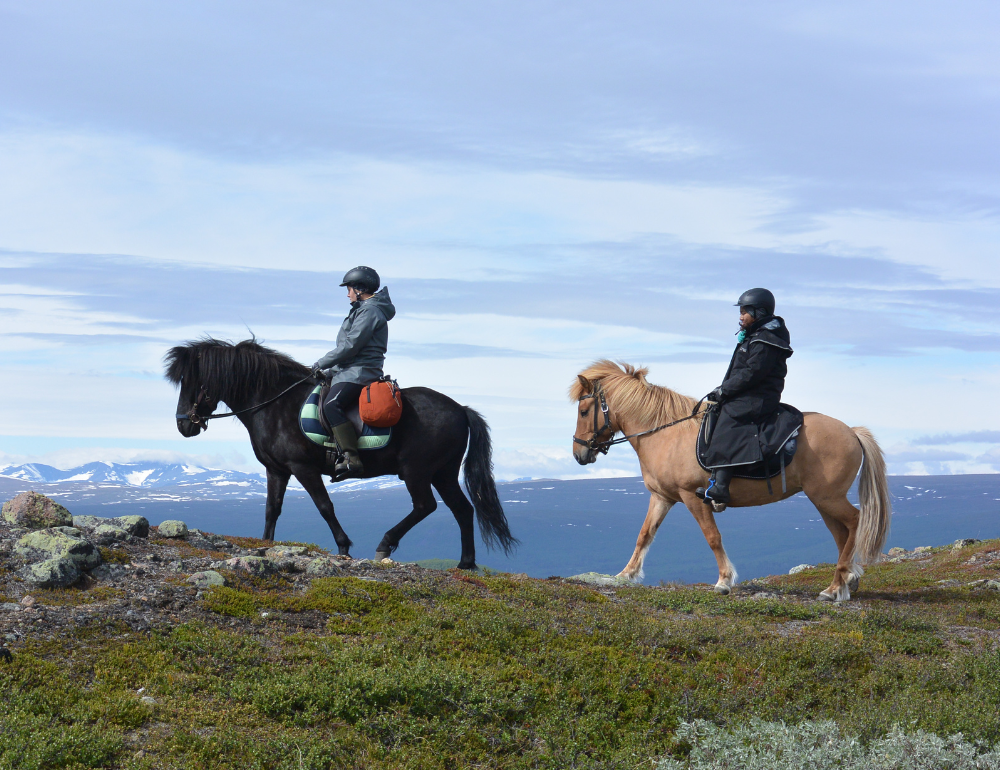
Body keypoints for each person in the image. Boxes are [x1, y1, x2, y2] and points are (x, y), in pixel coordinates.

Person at [696, 288, 793, 505]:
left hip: (759, 396)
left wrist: (724, 390)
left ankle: (720, 487)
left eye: (744, 312)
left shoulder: (766, 339)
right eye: (740, 312)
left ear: (759, 312)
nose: (740, 317)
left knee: (730, 417)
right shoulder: (756, 336)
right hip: (750, 392)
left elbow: (752, 374)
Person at [312, 266, 395, 478]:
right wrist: (331, 370)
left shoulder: (370, 311)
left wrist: (321, 363)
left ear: (360, 288)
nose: (347, 294)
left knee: (332, 405)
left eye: (349, 289)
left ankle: (351, 458)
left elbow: (351, 345)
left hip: (360, 373)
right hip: (348, 370)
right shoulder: (362, 309)